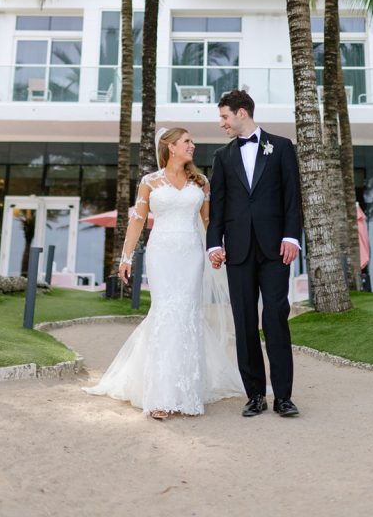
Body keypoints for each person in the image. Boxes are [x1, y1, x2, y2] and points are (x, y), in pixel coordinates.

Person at [85, 127, 243, 419]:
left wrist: (215, 249)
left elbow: (208, 221)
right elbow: (137, 220)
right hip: (162, 254)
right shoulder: (149, 182)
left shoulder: (201, 182)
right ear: (170, 147)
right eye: (187, 141)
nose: (192, 146)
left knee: (187, 314)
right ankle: (158, 395)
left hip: (191, 255)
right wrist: (126, 256)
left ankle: (188, 392)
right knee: (165, 313)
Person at [207, 89, 302, 418]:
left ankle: (284, 398)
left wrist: (292, 236)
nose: (222, 124)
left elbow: (292, 197)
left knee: (275, 317)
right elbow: (216, 204)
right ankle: (255, 395)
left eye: (224, 117)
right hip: (238, 250)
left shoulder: (282, 147)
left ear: (241, 113)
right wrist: (214, 244)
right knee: (244, 321)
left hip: (276, 248)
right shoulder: (222, 156)